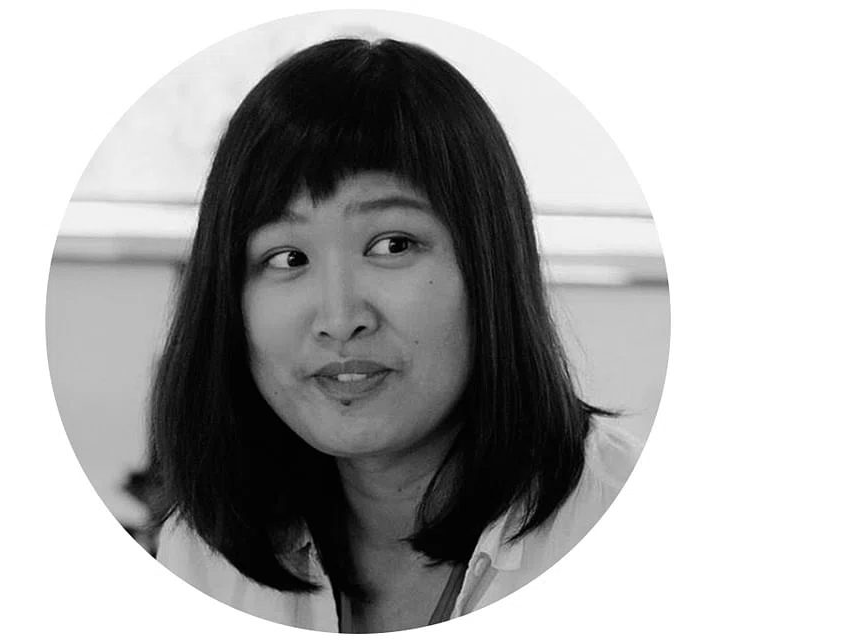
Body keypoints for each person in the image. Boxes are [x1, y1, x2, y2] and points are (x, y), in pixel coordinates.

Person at [149, 37, 640, 633]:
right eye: (287, 257)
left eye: (392, 245)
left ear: (490, 264)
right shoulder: (202, 556)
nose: (339, 318)